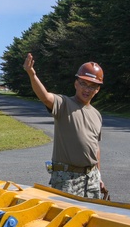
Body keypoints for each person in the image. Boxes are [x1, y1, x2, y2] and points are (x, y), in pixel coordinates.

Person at [23, 53, 109, 199]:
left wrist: (98, 175)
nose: (87, 89)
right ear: (76, 84)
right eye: (83, 83)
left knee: (90, 219)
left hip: (91, 178)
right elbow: (45, 96)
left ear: (97, 90)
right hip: (67, 178)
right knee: (65, 219)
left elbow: (96, 147)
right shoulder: (64, 104)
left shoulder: (96, 114)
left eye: (92, 86)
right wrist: (32, 75)